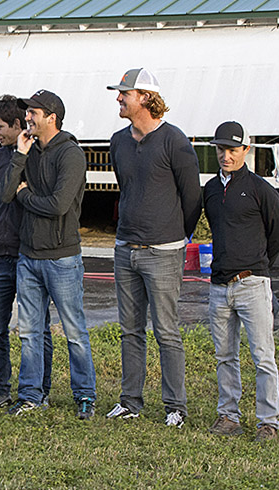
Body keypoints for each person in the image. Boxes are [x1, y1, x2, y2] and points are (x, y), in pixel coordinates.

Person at [104, 68, 202, 427]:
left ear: (145, 97)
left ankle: (176, 406)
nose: (118, 98)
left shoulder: (174, 141)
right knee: (130, 329)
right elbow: (127, 186)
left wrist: (176, 236)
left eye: (124, 93)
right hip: (124, 248)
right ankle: (130, 401)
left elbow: (192, 197)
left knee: (167, 331)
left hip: (163, 251)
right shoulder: (118, 141)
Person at [0, 90, 97, 418]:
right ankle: (31, 394)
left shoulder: (70, 154)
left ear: (52, 117)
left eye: (34, 112)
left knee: (74, 330)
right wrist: (20, 156)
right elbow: (4, 194)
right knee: (29, 331)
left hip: (62, 258)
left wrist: (24, 195)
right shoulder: (28, 151)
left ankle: (85, 395)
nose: (28, 117)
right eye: (27, 112)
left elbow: (57, 206)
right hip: (28, 257)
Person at [203, 121, 279, 442]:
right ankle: (228, 416)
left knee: (263, 356)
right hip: (219, 287)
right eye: (221, 149)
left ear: (246, 151)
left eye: (233, 150)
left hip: (252, 283)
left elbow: (277, 234)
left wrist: (258, 266)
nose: (226, 155)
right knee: (224, 355)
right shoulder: (210, 189)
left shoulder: (260, 189)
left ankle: (268, 421)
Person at [0, 95, 53, 409]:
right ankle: (0, 389)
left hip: (29, 255)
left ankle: (40, 391)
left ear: (18, 125)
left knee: (36, 330)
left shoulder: (34, 157)